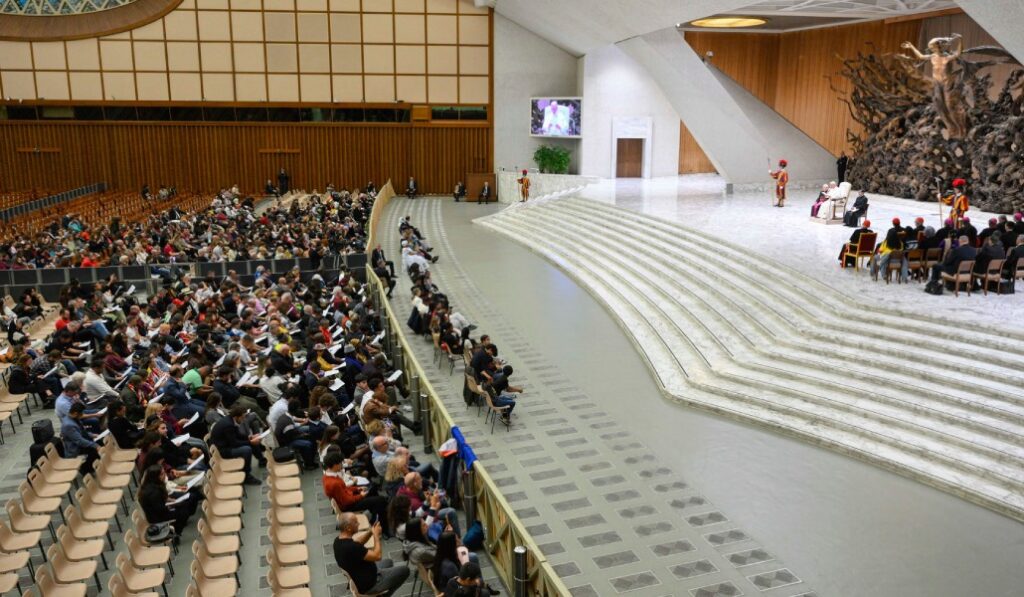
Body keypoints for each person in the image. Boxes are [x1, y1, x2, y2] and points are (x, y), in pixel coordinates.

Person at [334, 512, 410, 597]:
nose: (358, 524)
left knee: (389, 562)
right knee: (405, 570)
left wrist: (370, 531)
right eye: (355, 522)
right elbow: (377, 556)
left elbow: (359, 542)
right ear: (348, 528)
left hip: (362, 574)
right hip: (370, 583)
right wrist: (376, 536)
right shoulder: (352, 548)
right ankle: (384, 595)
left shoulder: (338, 541)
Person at [323, 451, 389, 529]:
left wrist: (357, 488)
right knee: (380, 500)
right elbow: (346, 502)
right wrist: (360, 496)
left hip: (348, 499)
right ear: (335, 465)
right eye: (340, 463)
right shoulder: (334, 482)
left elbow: (344, 488)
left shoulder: (327, 476)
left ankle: (376, 514)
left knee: (373, 489)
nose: (342, 465)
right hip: (348, 506)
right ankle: (380, 525)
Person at [209, 405, 263, 484]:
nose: (244, 419)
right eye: (243, 417)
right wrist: (250, 442)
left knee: (250, 442)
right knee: (247, 450)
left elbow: (237, 435)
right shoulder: (228, 425)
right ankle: (246, 476)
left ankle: (261, 460)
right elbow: (234, 443)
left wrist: (249, 437)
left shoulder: (230, 420)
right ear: (236, 417)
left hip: (226, 444)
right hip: (222, 451)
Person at [136, 464, 196, 535]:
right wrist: (173, 505)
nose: (165, 475)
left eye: (164, 472)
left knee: (183, 505)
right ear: (155, 477)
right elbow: (161, 510)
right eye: (162, 474)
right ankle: (176, 532)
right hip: (156, 517)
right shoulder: (154, 492)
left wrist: (169, 500)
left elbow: (161, 501)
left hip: (156, 511)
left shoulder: (150, 485)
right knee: (183, 511)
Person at [62, 402, 99, 473]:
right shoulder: (68, 425)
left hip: (80, 442)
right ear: (76, 413)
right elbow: (79, 441)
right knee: (95, 449)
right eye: (81, 413)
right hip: (76, 449)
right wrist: (95, 445)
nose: (82, 415)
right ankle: (86, 470)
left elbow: (82, 431)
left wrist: (92, 435)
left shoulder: (74, 418)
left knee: (99, 441)